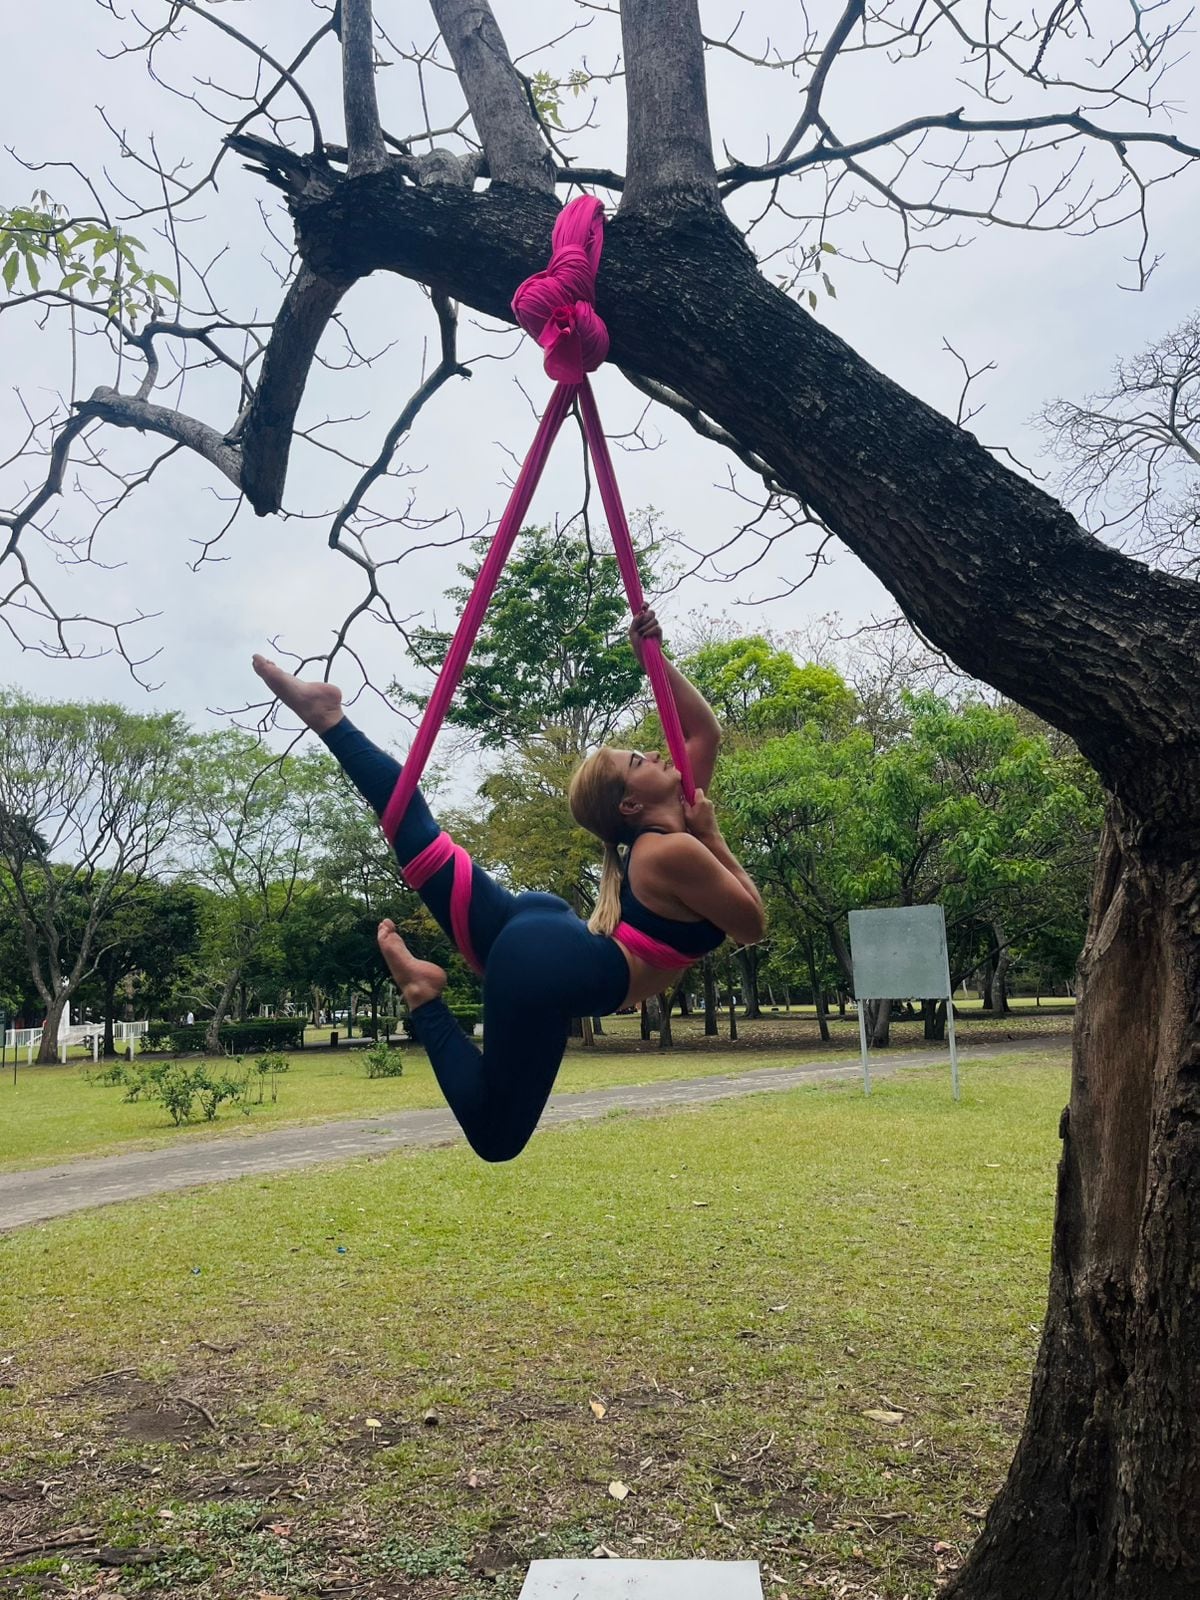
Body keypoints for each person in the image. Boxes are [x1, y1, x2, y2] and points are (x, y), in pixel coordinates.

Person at [252, 607, 763, 1162]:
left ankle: (329, 719)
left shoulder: (673, 824)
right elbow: (752, 925)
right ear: (631, 803)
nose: (659, 751)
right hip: (546, 961)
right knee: (496, 1139)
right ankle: (423, 997)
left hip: (546, 941)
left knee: (418, 836)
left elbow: (703, 730)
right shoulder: (677, 847)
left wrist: (655, 662)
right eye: (639, 758)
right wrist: (715, 839)